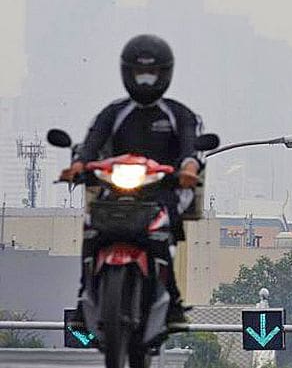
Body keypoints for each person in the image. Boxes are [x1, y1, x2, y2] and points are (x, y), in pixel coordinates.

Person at [60, 34, 203, 323]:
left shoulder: (179, 114)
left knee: (164, 229)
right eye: (140, 75)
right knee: (91, 227)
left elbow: (191, 146)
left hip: (164, 188)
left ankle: (172, 301)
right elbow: (90, 143)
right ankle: (82, 297)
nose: (146, 82)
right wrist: (78, 165)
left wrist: (188, 168)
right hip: (115, 189)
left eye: (152, 75)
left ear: (165, 74)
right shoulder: (112, 113)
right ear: (127, 73)